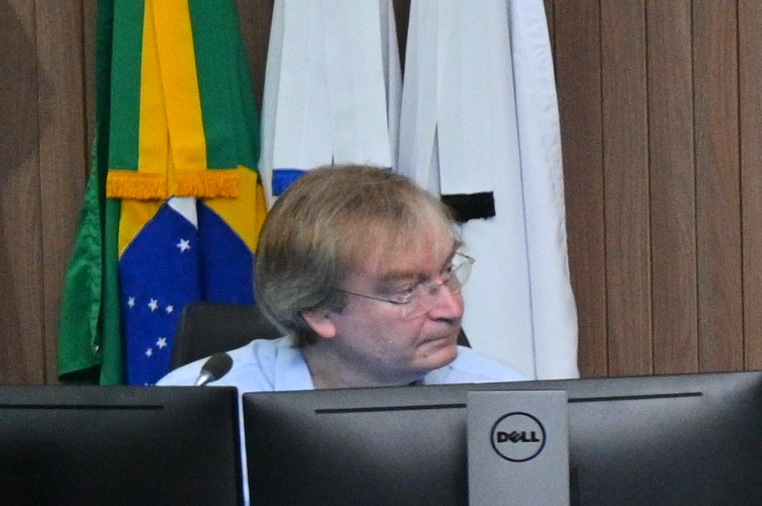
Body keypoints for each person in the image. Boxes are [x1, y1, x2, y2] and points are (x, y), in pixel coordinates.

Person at [157, 164, 523, 391]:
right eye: (407, 291)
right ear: (319, 311)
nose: (450, 308)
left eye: (447, 272)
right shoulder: (203, 407)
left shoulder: (506, 400)